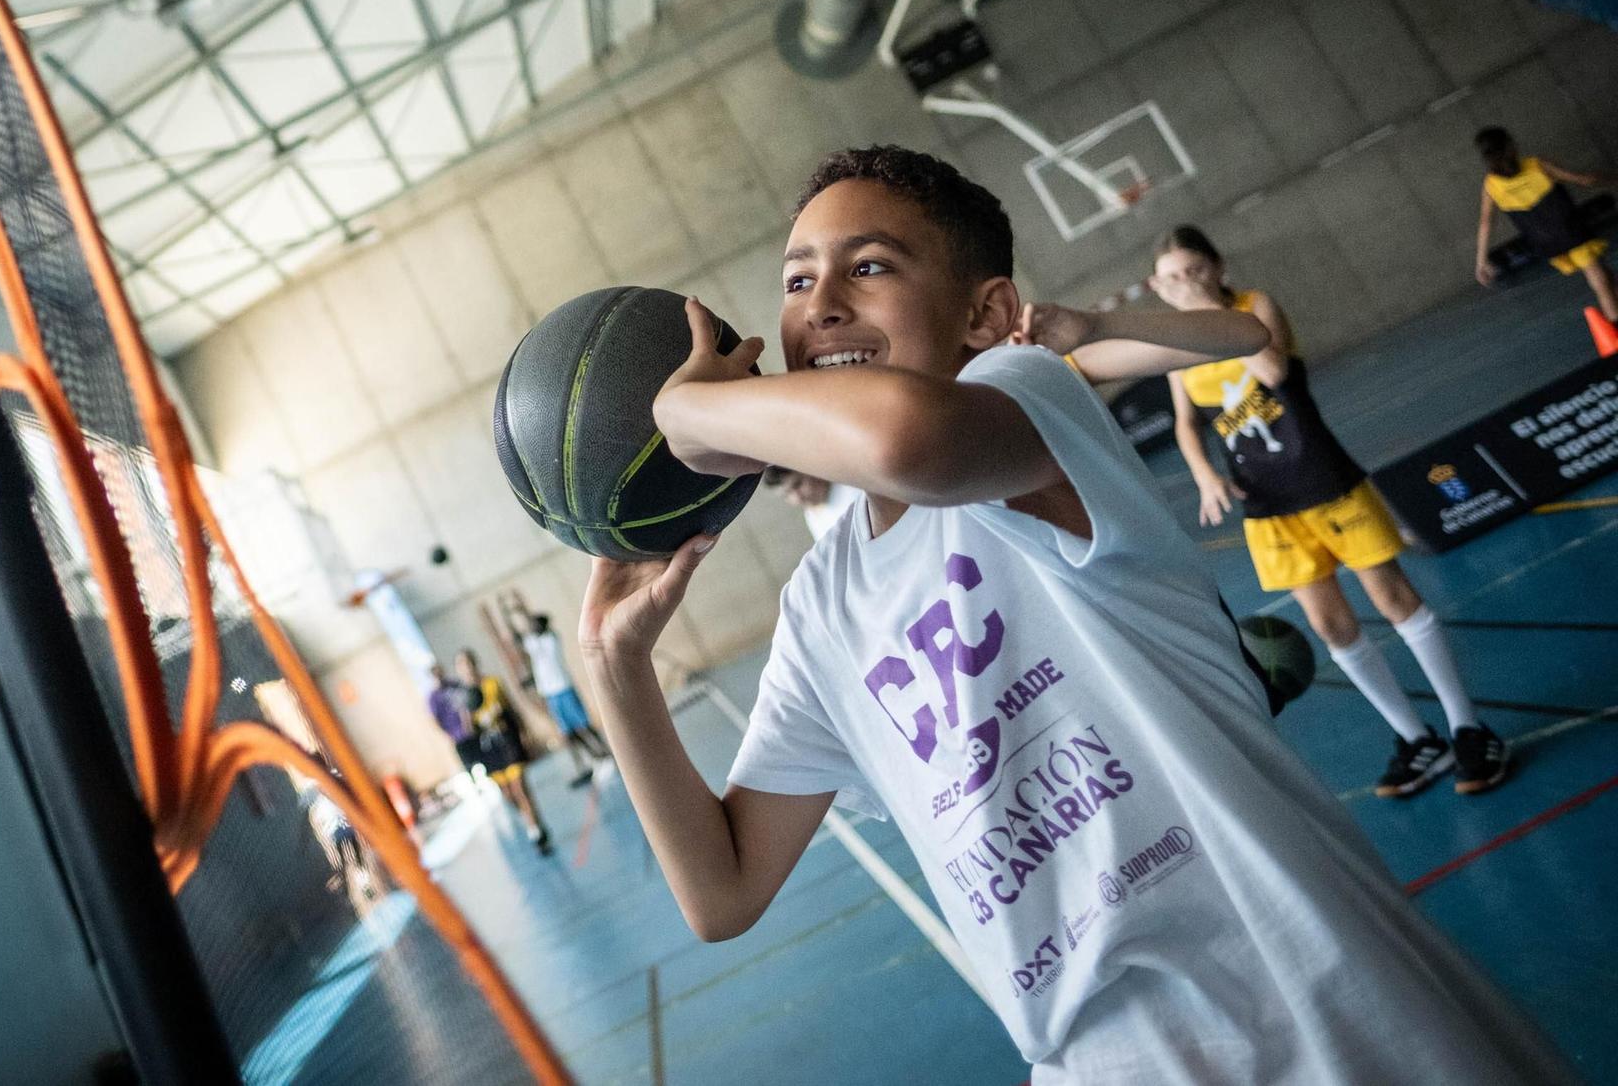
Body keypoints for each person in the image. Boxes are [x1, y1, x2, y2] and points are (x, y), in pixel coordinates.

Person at [575, 146, 1568, 1083]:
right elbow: (723, 889)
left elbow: (905, 440)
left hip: (1319, 1009)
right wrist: (615, 669)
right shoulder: (818, 607)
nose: (820, 304)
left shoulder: (1026, 399)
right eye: (795, 282)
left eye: (866, 266)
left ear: (986, 311)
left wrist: (688, 413)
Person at [1150, 224, 1509, 798]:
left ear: (1216, 268)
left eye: (1193, 270)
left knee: (1391, 598)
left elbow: (1271, 372)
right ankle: (1416, 739)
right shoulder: (1174, 345)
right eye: (1172, 277)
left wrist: (1207, 311)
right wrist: (1203, 473)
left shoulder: (1253, 306)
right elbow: (1186, 422)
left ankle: (1469, 725)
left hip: (1322, 478)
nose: (1184, 283)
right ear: (1156, 286)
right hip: (1267, 503)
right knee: (1327, 623)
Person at [1473, 125, 1618, 324]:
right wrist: (1611, 179)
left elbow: (1485, 223)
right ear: (1510, 146)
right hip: (1568, 230)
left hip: (1545, 241)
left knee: (1604, 273)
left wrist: (1481, 261)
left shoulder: (1491, 185)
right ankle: (1614, 320)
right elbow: (1584, 180)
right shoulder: (1536, 165)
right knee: (1596, 274)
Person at [456, 649, 553, 855]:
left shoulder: (493, 683)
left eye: (469, 663)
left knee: (520, 789)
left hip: (508, 742)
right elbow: (468, 731)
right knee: (508, 795)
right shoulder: (465, 698)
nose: (467, 668)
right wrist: (466, 711)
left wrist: (526, 734)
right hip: (489, 750)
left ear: (475, 663)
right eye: (462, 665)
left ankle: (536, 830)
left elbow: (512, 709)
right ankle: (529, 820)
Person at [512, 611, 609, 787]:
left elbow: (529, 638)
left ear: (542, 625)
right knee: (568, 733)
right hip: (551, 695)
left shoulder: (551, 639)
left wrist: (520, 608)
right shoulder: (534, 642)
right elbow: (517, 639)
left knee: (583, 725)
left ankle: (606, 752)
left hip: (564, 689)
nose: (531, 628)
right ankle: (589, 761)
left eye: (535, 624)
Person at [762, 467, 862, 540]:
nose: (797, 498)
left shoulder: (853, 486)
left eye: (797, 484)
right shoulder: (811, 516)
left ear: (809, 471)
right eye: (786, 495)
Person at [427, 663, 485, 785]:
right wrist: (448, 736)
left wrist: (469, 723)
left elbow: (466, 705)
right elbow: (435, 720)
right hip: (457, 737)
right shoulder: (433, 697)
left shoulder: (455, 685)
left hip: (469, 731)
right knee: (470, 766)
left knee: (483, 760)